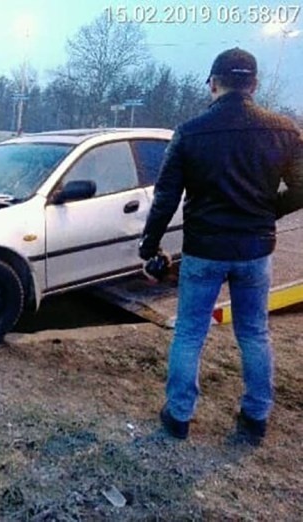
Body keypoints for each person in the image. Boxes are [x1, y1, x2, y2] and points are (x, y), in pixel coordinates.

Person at [139, 48, 303, 443]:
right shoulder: (284, 130)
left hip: (204, 251)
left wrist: (150, 248)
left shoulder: (190, 132)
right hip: (254, 252)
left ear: (213, 84)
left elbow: (165, 197)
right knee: (254, 333)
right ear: (254, 85)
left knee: (190, 333)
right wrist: (267, 213)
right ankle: (256, 416)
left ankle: (178, 416)